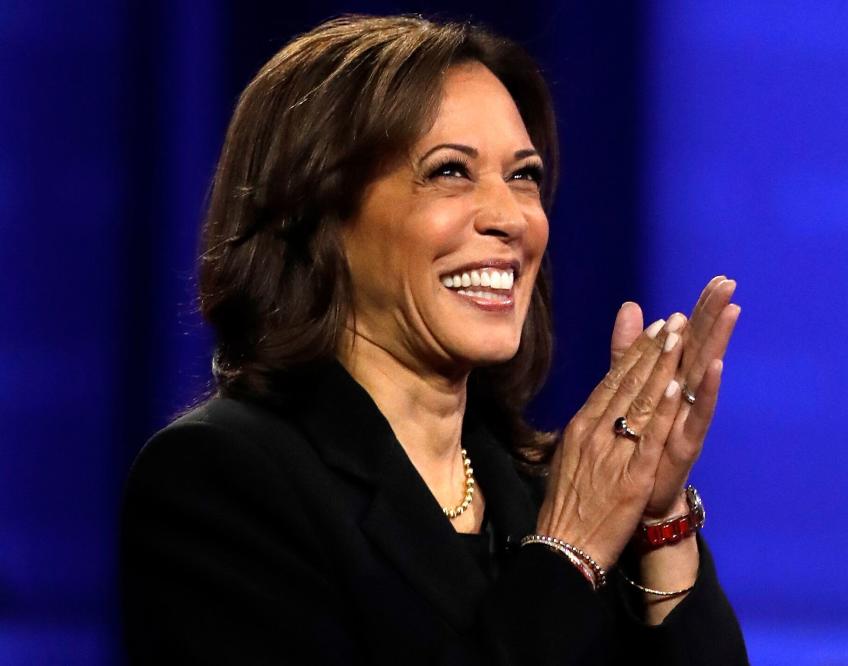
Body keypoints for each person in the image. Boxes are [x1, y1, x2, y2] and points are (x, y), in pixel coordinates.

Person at [119, 14, 746, 665]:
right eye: (450, 171)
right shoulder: (220, 480)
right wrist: (568, 553)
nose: (509, 218)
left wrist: (659, 517)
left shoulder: (544, 490)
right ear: (317, 212)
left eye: (523, 175)